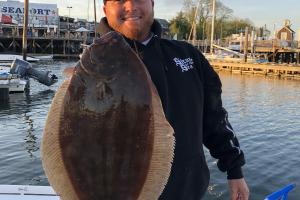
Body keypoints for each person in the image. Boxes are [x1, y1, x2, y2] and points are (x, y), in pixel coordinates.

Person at [98, 0, 250, 199]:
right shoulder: (95, 65)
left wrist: (234, 170)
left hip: (188, 191)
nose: (130, 6)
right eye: (119, 0)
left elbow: (214, 118)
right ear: (105, 9)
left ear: (152, 3)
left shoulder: (189, 55)